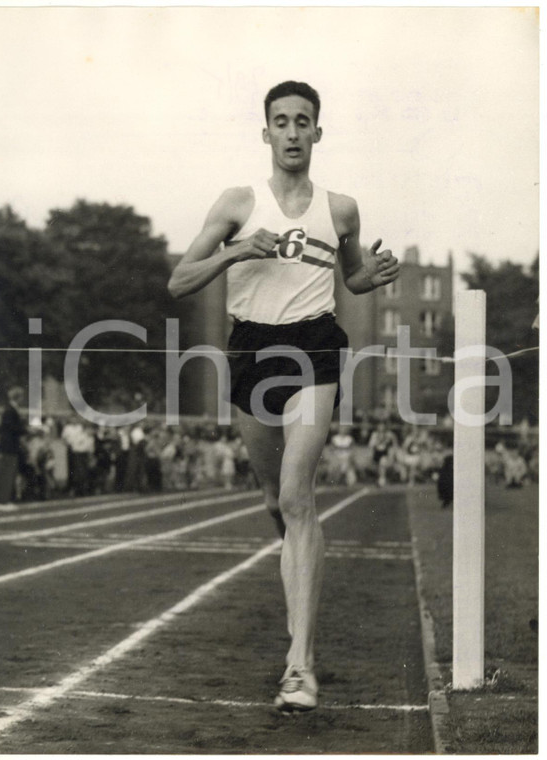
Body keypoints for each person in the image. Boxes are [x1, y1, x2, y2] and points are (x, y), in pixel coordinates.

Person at [168, 81, 399, 712]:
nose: (293, 132)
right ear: (265, 133)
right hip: (251, 351)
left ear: (318, 133)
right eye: (281, 122)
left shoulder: (342, 207)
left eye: (304, 122)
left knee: (299, 495)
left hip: (316, 347)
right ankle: (298, 575)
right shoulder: (238, 202)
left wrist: (368, 278)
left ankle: (300, 664)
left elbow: (348, 275)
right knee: (276, 499)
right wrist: (239, 248)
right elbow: (180, 280)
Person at [0, 386, 26, 511]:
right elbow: (11, 428)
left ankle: (4, 500)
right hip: (8, 446)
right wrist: (26, 430)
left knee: (9, 473)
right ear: (18, 397)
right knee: (6, 473)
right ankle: (2, 501)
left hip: (9, 446)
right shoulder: (10, 410)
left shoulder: (10, 409)